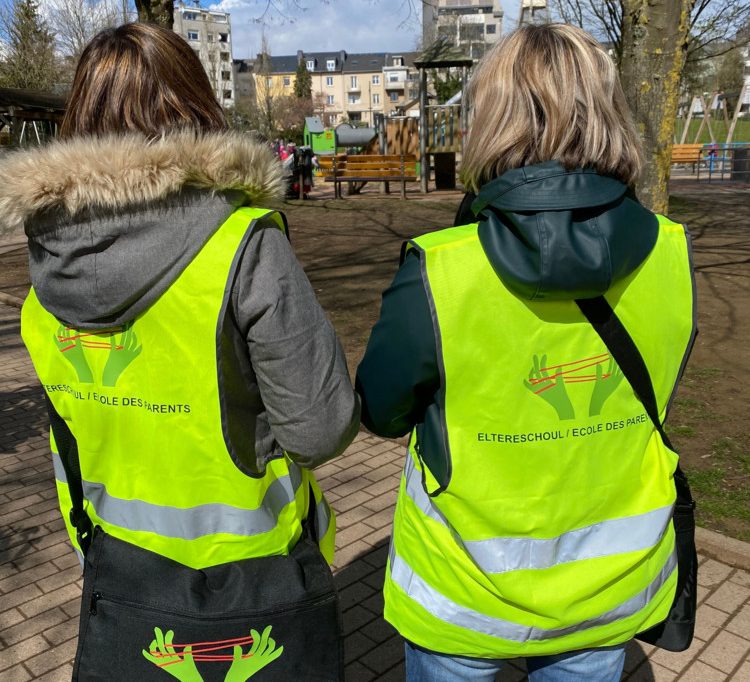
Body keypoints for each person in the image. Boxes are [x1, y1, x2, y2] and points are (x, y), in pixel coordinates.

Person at [1, 23, 358, 680]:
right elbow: (321, 428)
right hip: (260, 589)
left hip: (122, 582)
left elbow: (67, 446)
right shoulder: (245, 247)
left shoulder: (44, 284)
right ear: (198, 111)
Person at [356, 23, 695, 682]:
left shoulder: (440, 270)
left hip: (461, 592)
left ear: (492, 119)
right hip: (607, 585)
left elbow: (381, 409)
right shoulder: (672, 254)